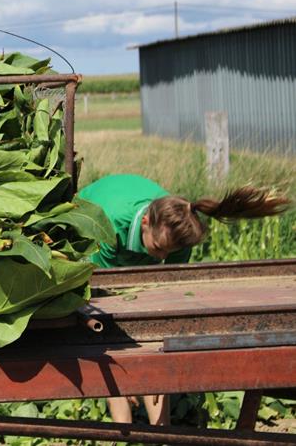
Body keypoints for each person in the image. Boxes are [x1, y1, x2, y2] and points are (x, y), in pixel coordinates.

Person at [78, 173, 290, 425]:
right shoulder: (107, 225)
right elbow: (104, 291)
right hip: (89, 239)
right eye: (160, 249)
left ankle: (161, 431)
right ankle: (121, 429)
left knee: (154, 345)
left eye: (170, 252)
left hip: (136, 244)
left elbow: (165, 290)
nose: (163, 256)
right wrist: (128, 379)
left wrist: (155, 369)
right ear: (145, 221)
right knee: (109, 342)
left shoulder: (178, 232)